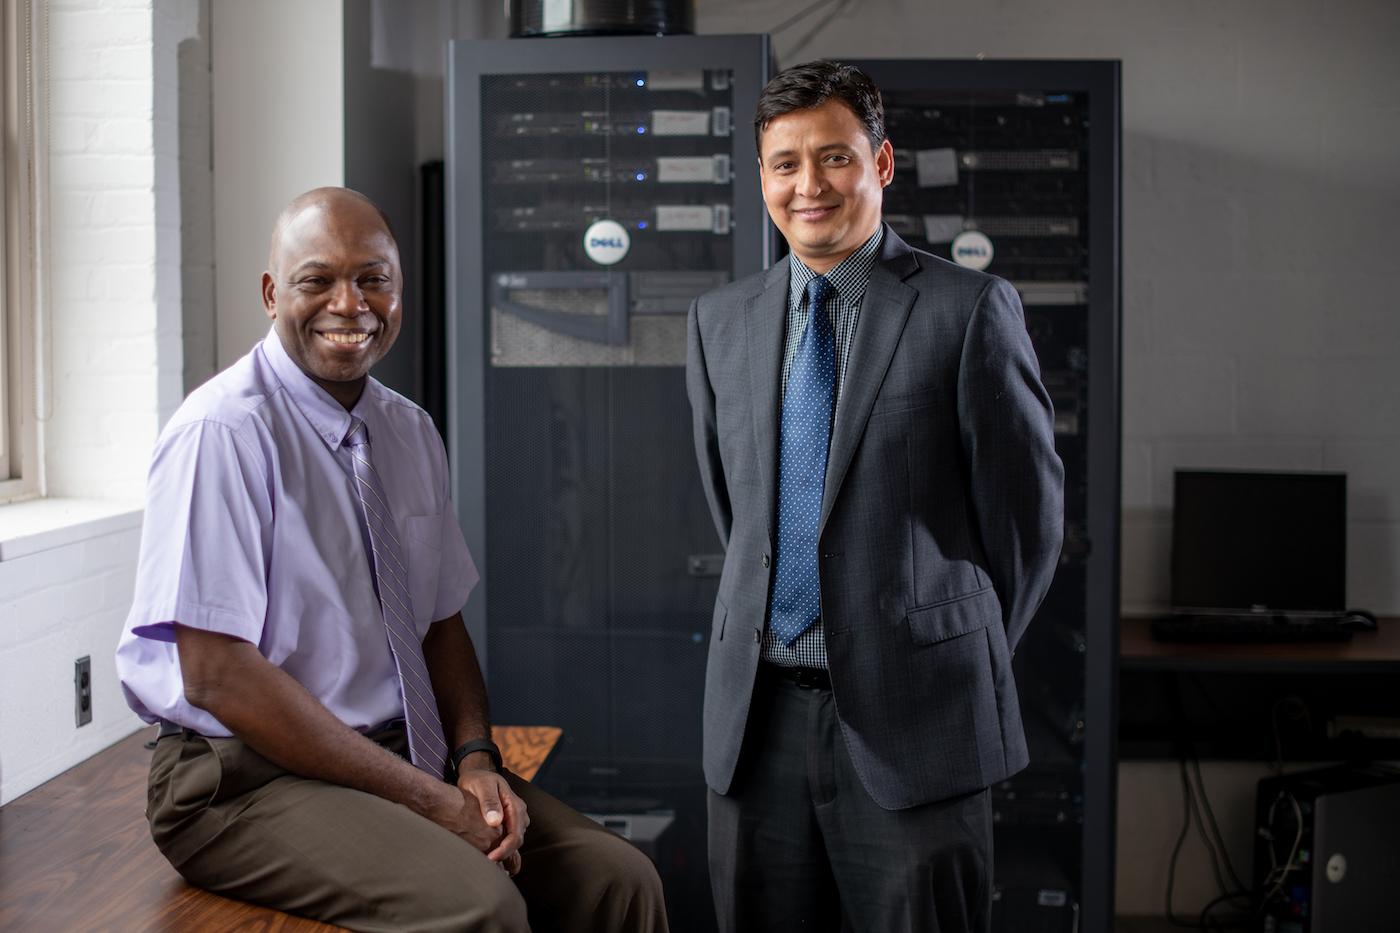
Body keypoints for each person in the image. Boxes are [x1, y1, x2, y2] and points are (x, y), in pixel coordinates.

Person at [116, 187, 668, 933]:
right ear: (273, 292)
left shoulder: (407, 430)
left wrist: (475, 760)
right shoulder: (223, 432)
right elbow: (217, 673)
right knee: (482, 904)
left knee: (620, 879)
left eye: (373, 278)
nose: (351, 303)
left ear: (398, 292)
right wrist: (432, 800)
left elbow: (440, 623)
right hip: (239, 777)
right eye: (318, 280)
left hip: (395, 750)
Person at [685, 62, 1064, 933]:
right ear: (763, 179)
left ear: (882, 164)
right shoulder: (720, 322)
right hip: (758, 725)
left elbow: (1027, 526)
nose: (808, 186)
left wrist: (940, 652)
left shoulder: (969, 310)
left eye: (834, 158)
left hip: (919, 724)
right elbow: (738, 513)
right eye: (784, 164)